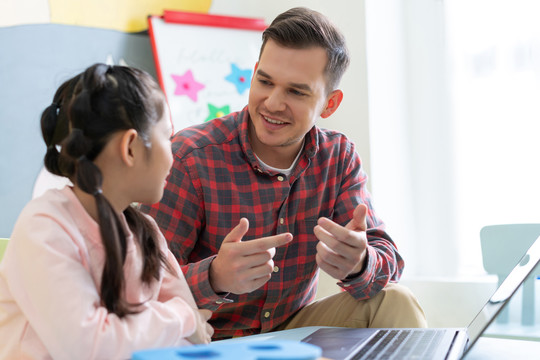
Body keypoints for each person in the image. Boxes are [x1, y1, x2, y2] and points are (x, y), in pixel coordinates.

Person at [142, 7, 427, 340]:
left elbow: (388, 260)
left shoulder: (338, 158)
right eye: (265, 81)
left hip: (291, 334)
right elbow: (142, 288)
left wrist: (361, 262)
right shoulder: (190, 157)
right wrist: (215, 276)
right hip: (204, 339)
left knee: (395, 301)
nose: (273, 103)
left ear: (329, 104)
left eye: (296, 91)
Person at [0, 63, 214, 359]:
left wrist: (177, 321)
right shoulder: (44, 226)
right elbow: (91, 347)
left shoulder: (145, 231)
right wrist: (180, 318)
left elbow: (196, 340)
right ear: (130, 147)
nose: (174, 152)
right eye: (168, 136)